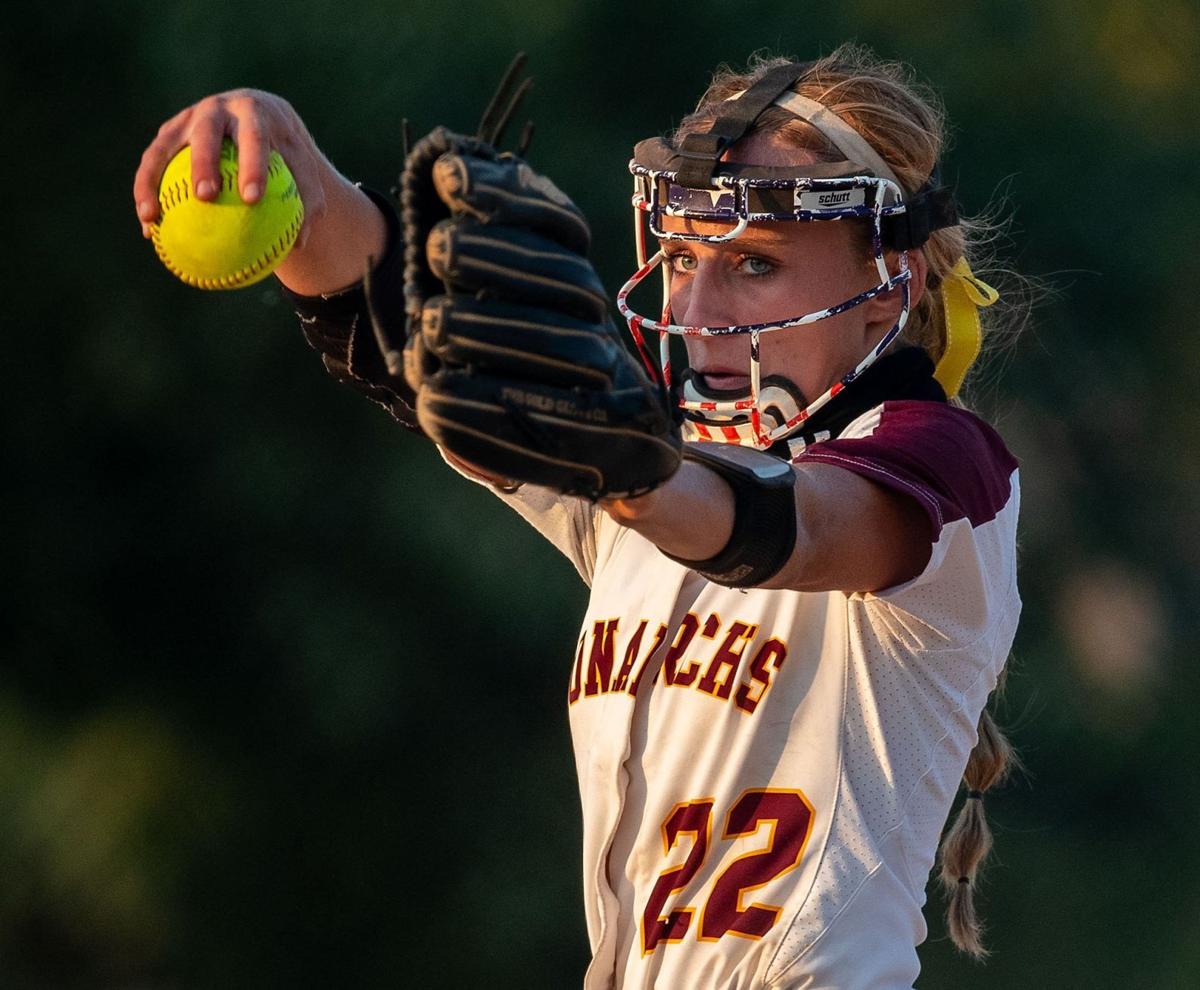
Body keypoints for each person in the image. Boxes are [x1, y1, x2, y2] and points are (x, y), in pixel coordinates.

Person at [133, 44, 1022, 990]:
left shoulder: (944, 456)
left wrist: (626, 462)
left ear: (891, 283)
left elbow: (796, 527)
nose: (697, 302)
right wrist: (301, 182)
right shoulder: (654, 450)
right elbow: (386, 320)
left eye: (754, 264)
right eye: (680, 256)